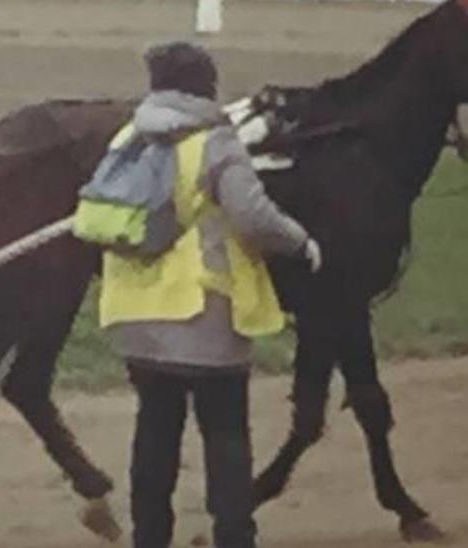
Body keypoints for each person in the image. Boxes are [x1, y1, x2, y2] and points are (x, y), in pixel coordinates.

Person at [97, 42, 320, 548]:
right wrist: (300, 241)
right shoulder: (215, 142)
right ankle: (234, 538)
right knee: (225, 437)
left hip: (136, 315)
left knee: (155, 432)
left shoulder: (127, 136)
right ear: (207, 86)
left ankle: (150, 539)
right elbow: (253, 217)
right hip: (204, 316)